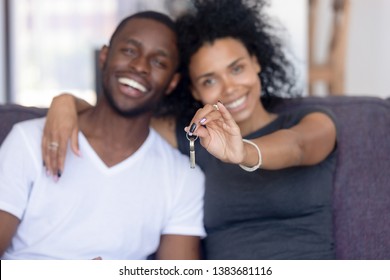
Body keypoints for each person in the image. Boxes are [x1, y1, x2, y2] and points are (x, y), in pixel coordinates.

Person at [41, 0, 338, 259]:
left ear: (256, 62)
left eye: (237, 69)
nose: (230, 88)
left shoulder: (311, 121)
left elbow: (297, 147)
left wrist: (244, 151)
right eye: (210, 80)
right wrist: (66, 102)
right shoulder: (196, 137)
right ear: (193, 89)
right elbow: (119, 119)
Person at [0, 11, 206, 260]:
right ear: (105, 56)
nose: (139, 66)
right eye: (129, 51)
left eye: (158, 62)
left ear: (172, 82)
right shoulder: (28, 140)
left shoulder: (182, 177)